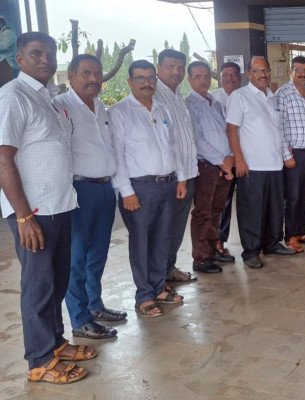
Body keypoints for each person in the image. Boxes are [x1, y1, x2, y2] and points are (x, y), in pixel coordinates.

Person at [0, 31, 93, 385]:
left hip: (59, 205)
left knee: (56, 281)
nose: (45, 59)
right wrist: (23, 216)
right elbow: (3, 159)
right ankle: (39, 360)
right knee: (38, 286)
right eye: (36, 53)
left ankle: (55, 343)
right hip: (34, 212)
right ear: (19, 59)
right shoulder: (13, 96)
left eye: (50, 53)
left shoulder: (47, 97)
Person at [110, 59, 187, 317]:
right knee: (141, 242)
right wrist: (126, 191)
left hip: (168, 184)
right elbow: (117, 155)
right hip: (139, 188)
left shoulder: (163, 109)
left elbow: (173, 147)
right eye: (140, 78)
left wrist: (181, 178)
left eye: (151, 78)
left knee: (163, 239)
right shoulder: (120, 112)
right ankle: (144, 296)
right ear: (130, 81)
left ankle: (158, 288)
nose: (147, 83)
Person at [55, 54, 124, 340]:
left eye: (97, 73)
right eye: (86, 72)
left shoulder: (101, 107)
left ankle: (95, 305)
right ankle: (80, 319)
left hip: (105, 188)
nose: (94, 78)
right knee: (77, 257)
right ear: (71, 75)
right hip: (79, 190)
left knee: (98, 252)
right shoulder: (60, 106)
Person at [226, 56, 298, 268]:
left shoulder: (272, 97)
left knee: (275, 209)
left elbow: (277, 130)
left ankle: (272, 243)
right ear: (248, 74)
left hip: (274, 165)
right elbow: (231, 130)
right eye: (258, 71)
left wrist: (284, 152)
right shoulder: (240, 96)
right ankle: (251, 251)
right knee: (252, 210)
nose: (263, 74)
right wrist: (239, 159)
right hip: (252, 166)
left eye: (266, 70)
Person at [153, 49, 199, 283]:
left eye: (180, 67)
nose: (176, 72)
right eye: (170, 66)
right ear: (159, 67)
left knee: (177, 227)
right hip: (169, 177)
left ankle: (168, 268)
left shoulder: (178, 95)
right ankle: (157, 278)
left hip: (187, 173)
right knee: (163, 230)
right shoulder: (154, 95)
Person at [185, 61, 234, 274]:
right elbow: (197, 140)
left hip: (223, 166)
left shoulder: (215, 102)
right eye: (198, 76)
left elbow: (225, 133)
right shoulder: (189, 105)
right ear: (189, 79)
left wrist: (230, 159)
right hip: (206, 167)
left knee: (216, 211)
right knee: (203, 213)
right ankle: (201, 258)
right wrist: (222, 161)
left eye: (206, 76)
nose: (203, 80)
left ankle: (212, 250)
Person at [277, 56, 305, 253]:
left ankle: (302, 231)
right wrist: (286, 154)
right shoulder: (283, 93)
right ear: (291, 71)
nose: (303, 73)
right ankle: (291, 236)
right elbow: (278, 126)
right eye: (299, 69)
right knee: (293, 197)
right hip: (294, 155)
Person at [210, 62, 241, 263]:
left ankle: (252, 242)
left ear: (240, 77)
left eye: (233, 74)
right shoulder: (213, 99)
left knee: (246, 201)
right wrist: (226, 158)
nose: (230, 78)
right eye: (226, 74)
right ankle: (218, 241)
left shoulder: (245, 96)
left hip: (244, 158)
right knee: (222, 202)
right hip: (223, 160)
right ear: (220, 78)